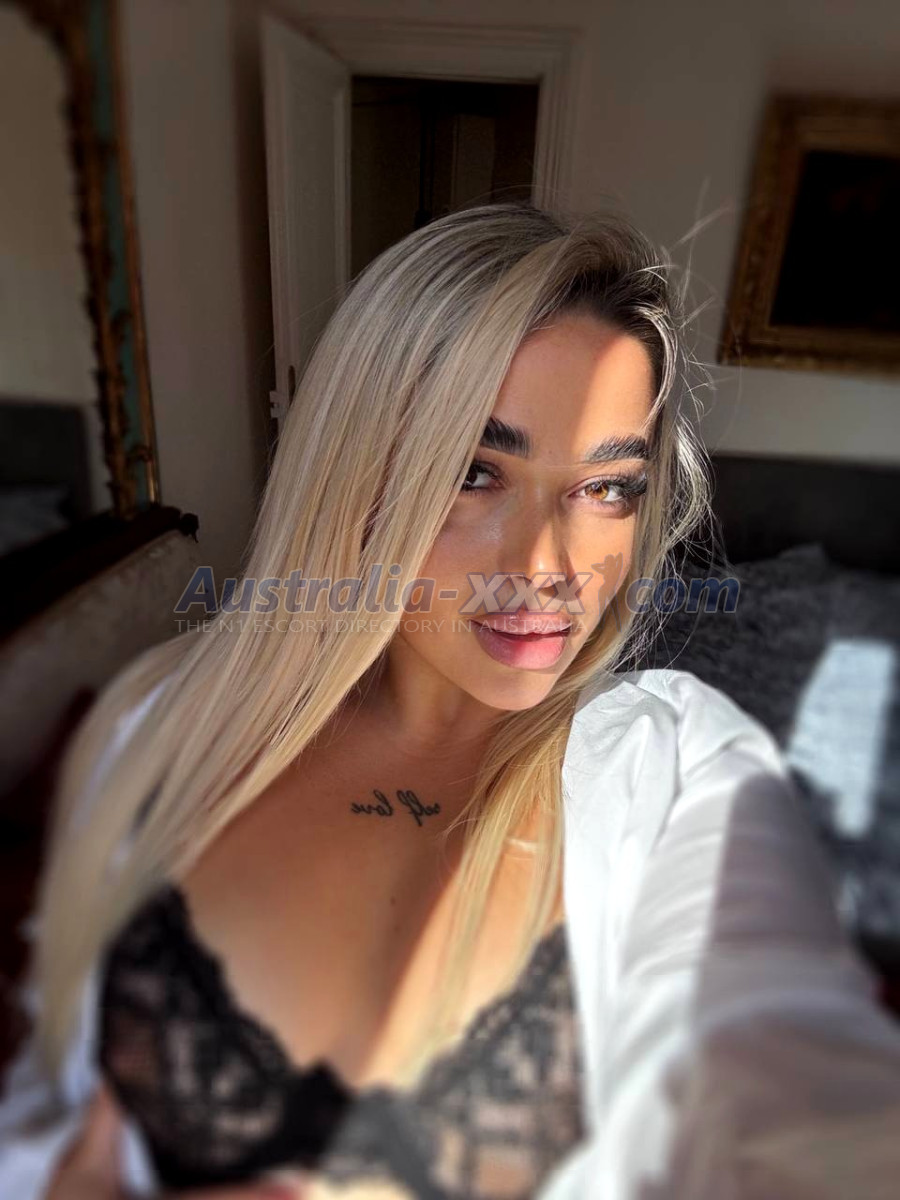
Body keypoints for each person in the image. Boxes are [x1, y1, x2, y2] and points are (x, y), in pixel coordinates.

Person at [2, 202, 900, 1200]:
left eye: (608, 488)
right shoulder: (162, 723)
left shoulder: (681, 771)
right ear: (353, 479)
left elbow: (808, 1115)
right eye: (476, 473)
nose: (549, 565)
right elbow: (51, 1113)